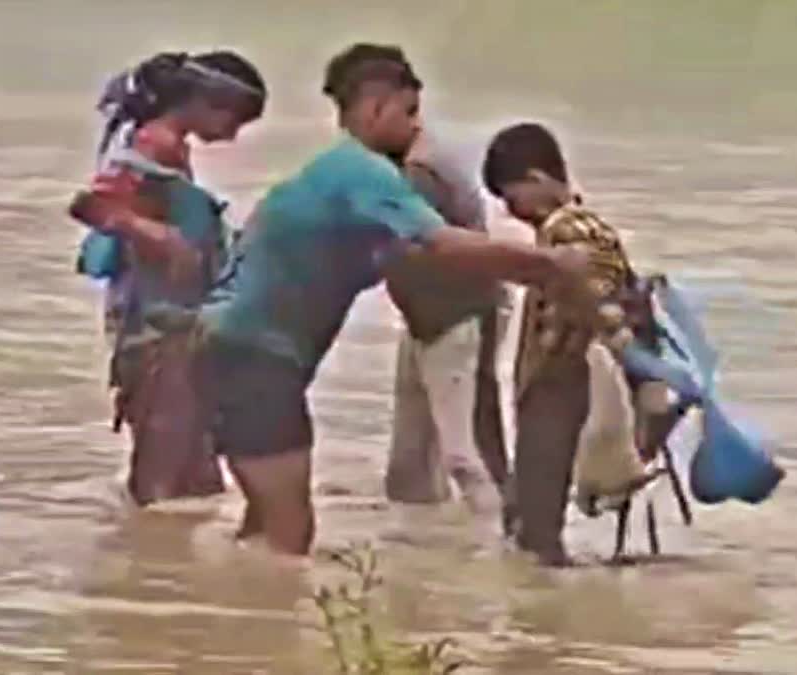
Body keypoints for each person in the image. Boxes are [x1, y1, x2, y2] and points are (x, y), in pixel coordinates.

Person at [71, 43, 595, 557]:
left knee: (261, 523)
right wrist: (552, 266)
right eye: (408, 112)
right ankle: (226, 617)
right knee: (288, 535)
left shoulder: (335, 174)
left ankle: (203, 604)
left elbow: (410, 258)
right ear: (374, 108)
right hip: (255, 357)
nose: (416, 127)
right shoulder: (362, 173)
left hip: (232, 346)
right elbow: (439, 243)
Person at [71, 50, 267, 506]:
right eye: (234, 120)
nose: (234, 134)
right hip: (152, 323)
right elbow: (92, 204)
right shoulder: (152, 144)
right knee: (162, 466)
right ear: (204, 102)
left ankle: (165, 561)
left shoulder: (167, 147)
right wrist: (161, 238)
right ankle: (147, 560)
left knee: (191, 468)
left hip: (169, 319)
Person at [482, 122, 645, 566]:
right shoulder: (580, 226)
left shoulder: (567, 229)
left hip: (561, 376)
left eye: (510, 197)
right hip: (560, 376)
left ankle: (544, 608)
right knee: (534, 506)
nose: (510, 210)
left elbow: (595, 300)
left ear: (535, 180)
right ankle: (547, 606)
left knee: (536, 518)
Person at [382, 125, 509, 516]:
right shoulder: (424, 158)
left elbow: (412, 248)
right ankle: (426, 550)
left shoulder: (420, 173)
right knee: (411, 461)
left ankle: (499, 536)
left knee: (460, 455)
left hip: (452, 318)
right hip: (431, 318)